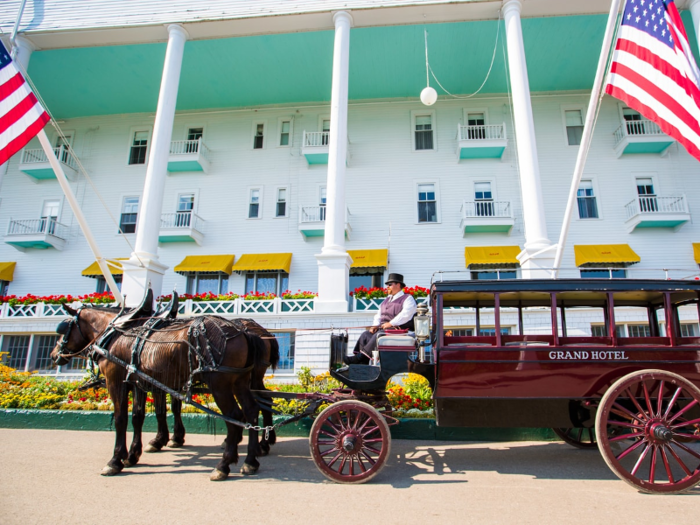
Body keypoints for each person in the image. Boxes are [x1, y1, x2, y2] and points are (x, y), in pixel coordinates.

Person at [344, 273, 417, 365]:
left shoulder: (408, 298)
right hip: (385, 330)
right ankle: (363, 362)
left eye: (390, 284)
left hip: (400, 331)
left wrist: (391, 323)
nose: (387, 287)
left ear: (398, 285)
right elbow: (378, 314)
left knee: (379, 334)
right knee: (366, 335)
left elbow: (406, 314)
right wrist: (375, 325)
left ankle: (360, 358)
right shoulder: (386, 300)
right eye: (387, 285)